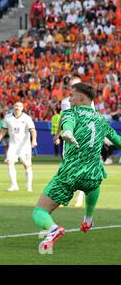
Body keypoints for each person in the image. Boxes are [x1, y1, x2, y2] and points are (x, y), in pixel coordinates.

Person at [34, 83, 121, 253]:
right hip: (92, 172)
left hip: (70, 172)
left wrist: (67, 132)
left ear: (81, 97)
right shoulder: (101, 119)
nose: (69, 98)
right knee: (94, 185)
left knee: (39, 211)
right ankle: (88, 219)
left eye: (72, 95)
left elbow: (68, 124)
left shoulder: (70, 113)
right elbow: (118, 140)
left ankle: (53, 229)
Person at [53, 77, 90, 207]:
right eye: (71, 85)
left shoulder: (88, 101)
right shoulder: (65, 102)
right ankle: (65, 196)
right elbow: (63, 117)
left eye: (75, 84)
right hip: (68, 138)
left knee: (80, 168)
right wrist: (58, 134)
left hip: (82, 138)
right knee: (67, 167)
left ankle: (80, 197)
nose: (72, 87)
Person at [0, 101, 37, 192]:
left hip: (24, 146)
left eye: (20, 106)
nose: (17, 107)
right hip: (13, 145)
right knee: (9, 162)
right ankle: (14, 185)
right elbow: (3, 130)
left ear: (22, 108)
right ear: (13, 107)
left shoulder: (27, 118)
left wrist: (34, 140)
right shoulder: (8, 117)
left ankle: (29, 186)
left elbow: (33, 130)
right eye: (16, 106)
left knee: (27, 165)